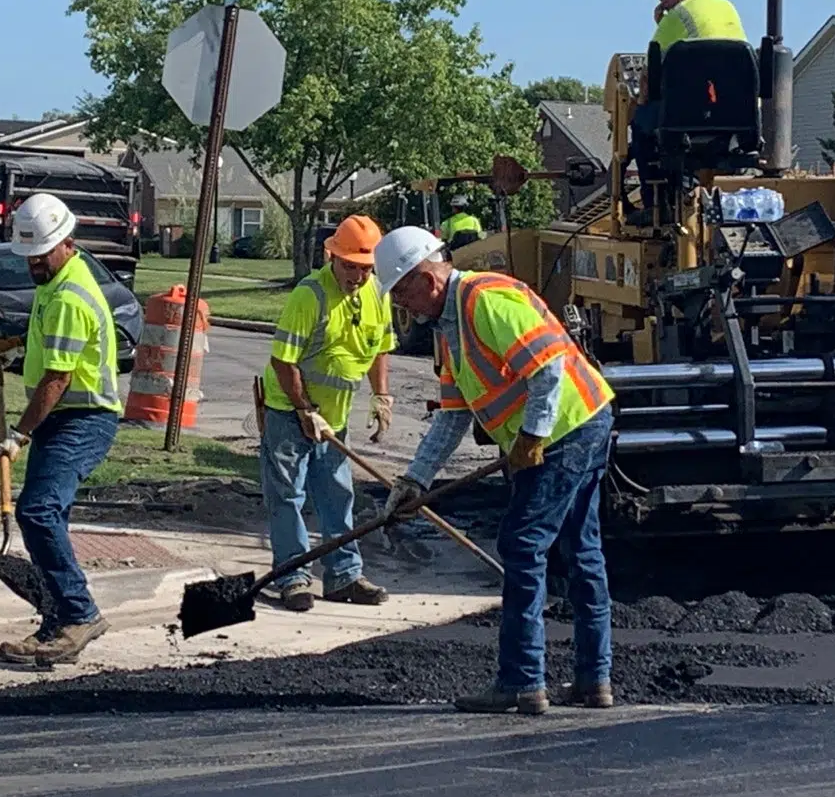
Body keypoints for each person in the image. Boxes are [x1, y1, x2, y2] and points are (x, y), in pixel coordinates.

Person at [375, 226, 615, 716]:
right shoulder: (447, 332)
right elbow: (452, 416)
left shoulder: (485, 300)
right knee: (579, 547)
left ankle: (523, 681)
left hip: (567, 429)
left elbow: (547, 368)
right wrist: (414, 480)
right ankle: (594, 680)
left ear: (428, 277)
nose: (403, 304)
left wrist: (531, 436)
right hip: (576, 425)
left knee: (523, 545)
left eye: (403, 290)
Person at [0, 194, 123, 665]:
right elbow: (51, 350)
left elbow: (59, 378)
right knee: (45, 516)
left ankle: (77, 613)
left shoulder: (68, 295)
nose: (33, 265)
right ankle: (59, 618)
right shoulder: (58, 280)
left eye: (40, 255)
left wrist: (17, 435)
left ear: (67, 242)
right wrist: (16, 346)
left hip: (82, 418)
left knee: (38, 512)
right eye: (28, 256)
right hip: (66, 417)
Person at [259, 214, 396, 611]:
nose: (356, 276)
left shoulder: (378, 294)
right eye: (349, 266)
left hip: (334, 419)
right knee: (287, 496)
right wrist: (304, 409)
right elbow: (284, 361)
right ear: (331, 257)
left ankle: (344, 576)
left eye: (364, 269)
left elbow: (380, 347)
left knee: (338, 497)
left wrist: (381, 396)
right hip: (289, 412)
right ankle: (294, 577)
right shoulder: (309, 296)